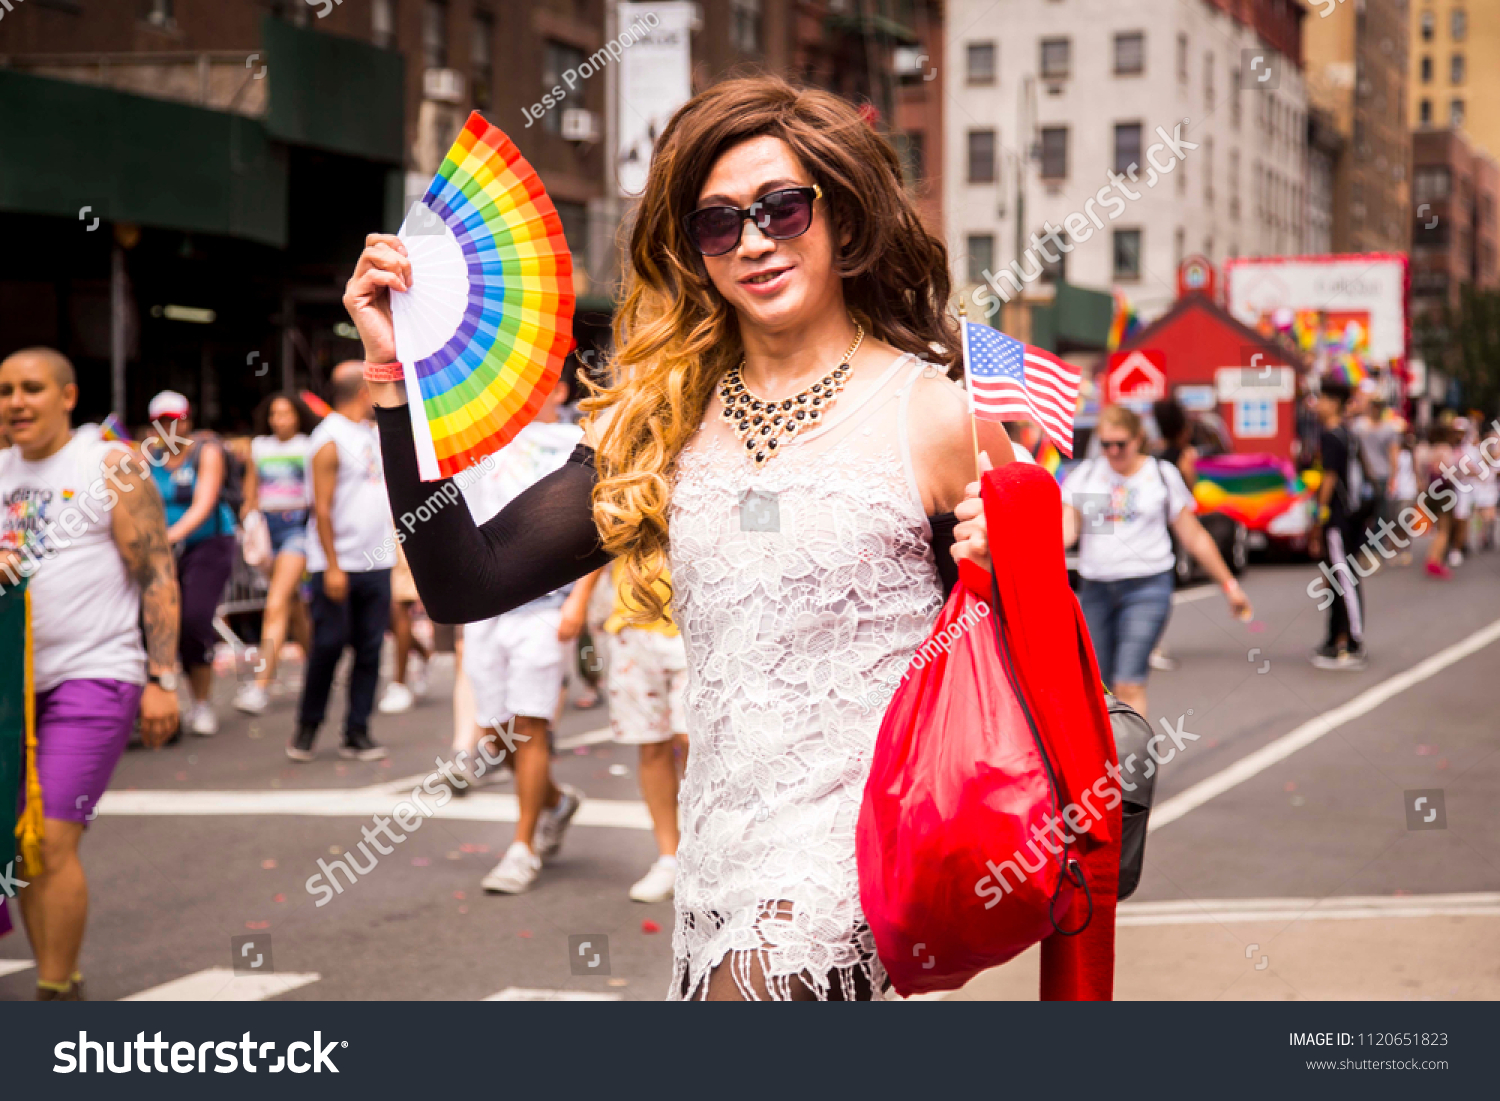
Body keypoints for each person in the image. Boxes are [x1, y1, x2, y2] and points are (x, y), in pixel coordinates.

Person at [345, 76, 1014, 1000]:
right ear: (692, 251)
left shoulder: (937, 414)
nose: (753, 241)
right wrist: (392, 368)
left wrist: (1012, 551)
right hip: (718, 856)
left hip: (859, 851)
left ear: (844, 222)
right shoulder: (661, 425)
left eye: (783, 209)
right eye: (718, 222)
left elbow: (1026, 647)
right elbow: (467, 580)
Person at [0, 348, 180, 999]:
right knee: (16, 840)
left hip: (96, 677)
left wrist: (163, 677)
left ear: (68, 396)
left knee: (47, 837)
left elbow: (156, 572)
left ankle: (56, 988)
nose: (17, 402)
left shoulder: (109, 464)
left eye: (31, 388)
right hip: (9, 691)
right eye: (5, 391)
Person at [454, 370, 602, 894]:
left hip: (546, 604)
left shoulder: (576, 442)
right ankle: (557, 803)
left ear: (560, 392)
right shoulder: (483, 441)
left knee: (529, 725)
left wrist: (579, 599)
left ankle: (522, 847)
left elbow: (597, 519)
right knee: (496, 733)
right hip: (488, 607)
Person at [1060, 405, 1251, 716]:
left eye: (1120, 444)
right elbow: (1065, 533)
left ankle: (1132, 763)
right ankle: (1103, 761)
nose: (1112, 452)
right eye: (1105, 444)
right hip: (1097, 589)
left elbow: (1194, 535)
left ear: (1138, 439)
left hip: (1146, 587)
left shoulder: (1159, 474)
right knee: (1097, 688)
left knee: (1128, 684)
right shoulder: (1087, 476)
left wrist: (1230, 586)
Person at [288, 362, 395, 763]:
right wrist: (332, 565)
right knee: (329, 646)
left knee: (369, 650)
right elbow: (323, 508)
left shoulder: (372, 433)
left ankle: (357, 731)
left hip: (377, 561)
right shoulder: (328, 438)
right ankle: (307, 727)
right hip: (338, 564)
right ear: (365, 391)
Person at [142, 391, 239, 737]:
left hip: (208, 544)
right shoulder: (146, 459)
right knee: (152, 624)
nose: (170, 428)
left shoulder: (205, 452)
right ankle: (156, 701)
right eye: (162, 422)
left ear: (187, 420)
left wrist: (170, 536)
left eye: (175, 420)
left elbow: (204, 503)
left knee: (194, 619)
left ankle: (201, 703)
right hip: (160, 551)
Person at [600, 563, 689, 902]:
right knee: (651, 744)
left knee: (693, 742)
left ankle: (703, 851)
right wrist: (577, 601)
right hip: (632, 621)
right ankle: (670, 858)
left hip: (693, 618)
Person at [233, 392, 319, 714]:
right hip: (267, 530)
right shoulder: (259, 447)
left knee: (276, 603)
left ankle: (260, 686)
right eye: (274, 414)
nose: (279, 420)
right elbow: (250, 492)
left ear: (297, 416)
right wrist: (250, 520)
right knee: (293, 604)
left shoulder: (310, 445)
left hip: (299, 526)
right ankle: (319, 667)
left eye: (286, 413)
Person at [1308, 378, 1368, 668]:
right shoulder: (1349, 434)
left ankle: (1353, 642)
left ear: (1333, 403)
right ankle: (1334, 639)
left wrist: (1319, 516)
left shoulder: (1332, 436)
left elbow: (1329, 478)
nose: (1317, 405)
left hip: (1338, 519)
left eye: (1321, 399)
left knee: (1343, 578)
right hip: (1353, 516)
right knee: (1335, 578)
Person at [377, 542, 429, 714]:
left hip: (397, 531)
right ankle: (424, 652)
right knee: (383, 616)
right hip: (368, 534)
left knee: (398, 605)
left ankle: (399, 684)